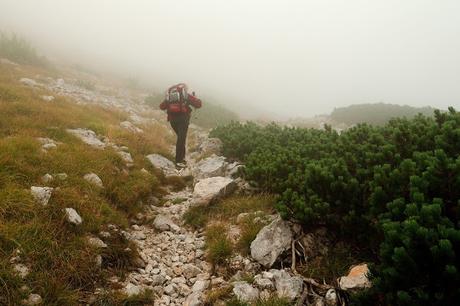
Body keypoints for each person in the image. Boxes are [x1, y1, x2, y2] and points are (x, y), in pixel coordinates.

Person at [159, 83, 202, 168]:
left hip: (172, 120)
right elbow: (198, 105)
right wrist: (196, 98)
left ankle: (182, 158)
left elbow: (161, 107)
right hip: (183, 120)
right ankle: (179, 161)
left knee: (181, 138)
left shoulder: (170, 97)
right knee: (181, 140)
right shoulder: (186, 95)